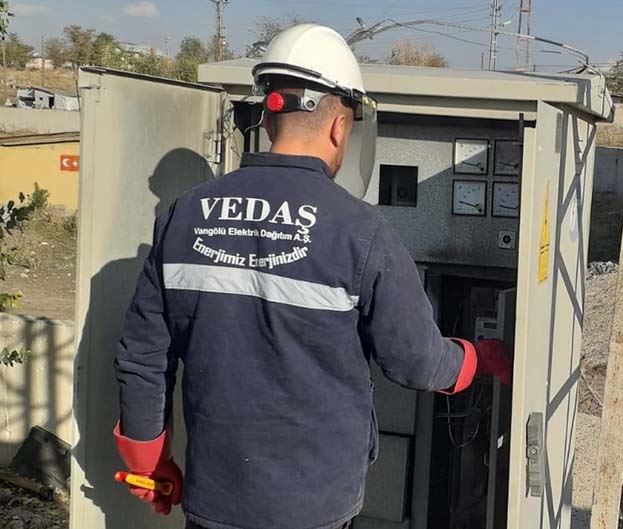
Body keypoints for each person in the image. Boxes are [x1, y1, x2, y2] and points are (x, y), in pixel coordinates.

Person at [112, 24, 511, 529]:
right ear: (340, 127)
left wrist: (149, 463)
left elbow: (143, 356)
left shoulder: (183, 216)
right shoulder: (359, 231)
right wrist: (478, 358)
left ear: (268, 115)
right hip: (315, 507)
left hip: (216, 499)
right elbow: (417, 363)